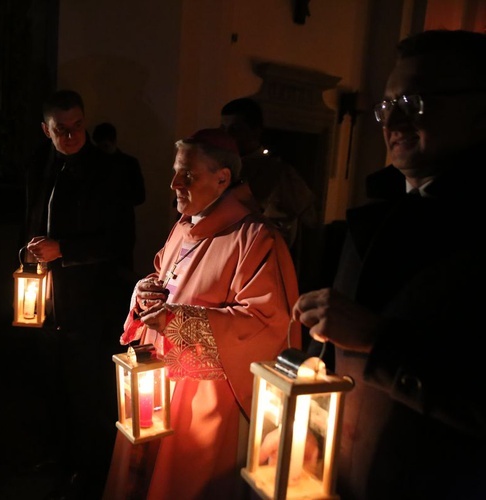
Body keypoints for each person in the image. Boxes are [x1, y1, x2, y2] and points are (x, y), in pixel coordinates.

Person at [292, 29, 486, 499]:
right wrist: (310, 436)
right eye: (387, 105)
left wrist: (379, 341)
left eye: (416, 101)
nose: (393, 120)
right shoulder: (373, 218)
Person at [103, 128, 301, 500]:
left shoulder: (257, 239)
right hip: (155, 384)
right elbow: (161, 274)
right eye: (177, 172)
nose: (174, 183)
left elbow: (266, 324)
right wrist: (143, 291)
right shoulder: (184, 226)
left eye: (187, 175)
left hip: (205, 400)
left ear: (223, 178)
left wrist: (177, 321)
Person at [23, 89, 130, 499]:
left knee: (86, 385)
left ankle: (89, 468)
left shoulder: (108, 172)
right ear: (46, 130)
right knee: (50, 377)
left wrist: (63, 249)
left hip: (90, 298)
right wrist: (27, 254)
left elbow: (118, 240)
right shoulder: (40, 163)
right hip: (44, 294)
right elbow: (31, 216)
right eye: (61, 129)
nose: (71, 136)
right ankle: (58, 453)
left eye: (78, 127)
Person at [220, 98, 319, 266]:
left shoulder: (281, 173)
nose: (228, 136)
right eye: (224, 130)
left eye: (235, 129)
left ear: (255, 131)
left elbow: (309, 219)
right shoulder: (218, 167)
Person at [92, 122, 146, 276]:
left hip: (118, 229)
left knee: (118, 273)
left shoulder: (127, 164)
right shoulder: (127, 163)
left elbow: (140, 196)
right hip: (112, 229)